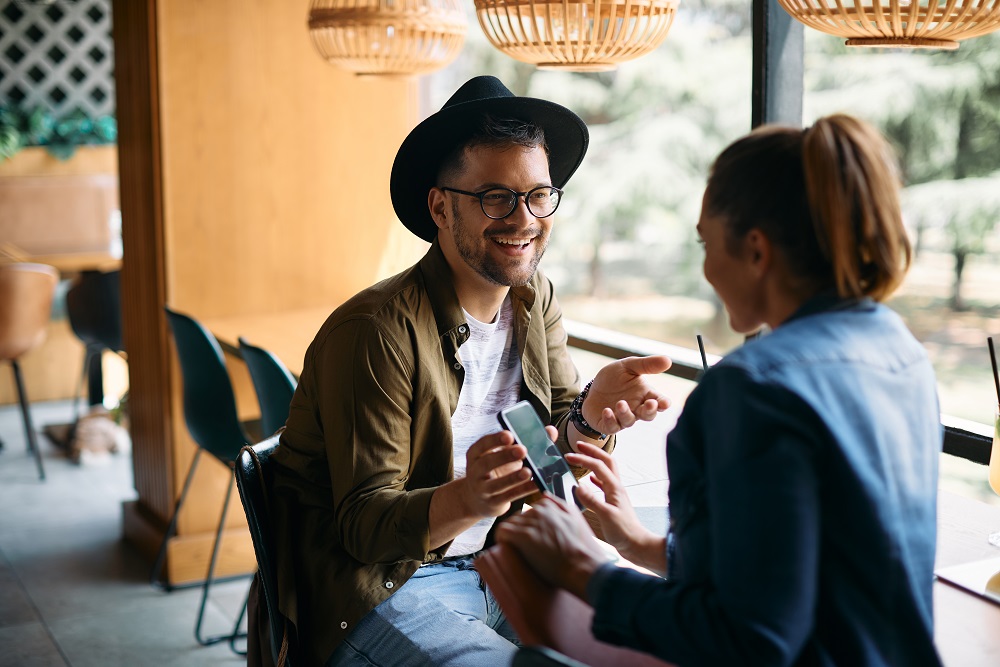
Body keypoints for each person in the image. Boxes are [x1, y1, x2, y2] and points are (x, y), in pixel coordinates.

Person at [498, 114, 943, 666]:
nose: (706, 267)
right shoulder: (900, 350)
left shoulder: (753, 389)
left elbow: (750, 641)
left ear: (756, 252)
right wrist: (641, 545)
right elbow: (799, 573)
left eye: (707, 243)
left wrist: (585, 571)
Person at [264, 75, 672, 667]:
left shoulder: (535, 299)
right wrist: (472, 497)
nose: (524, 218)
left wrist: (589, 414)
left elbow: (551, 456)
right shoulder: (375, 332)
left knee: (661, 644)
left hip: (504, 558)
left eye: (538, 194)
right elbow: (364, 528)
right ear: (439, 205)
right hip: (388, 587)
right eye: (495, 197)